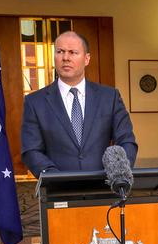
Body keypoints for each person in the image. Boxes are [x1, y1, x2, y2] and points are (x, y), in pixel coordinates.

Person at [21, 31, 137, 176]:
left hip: (104, 187)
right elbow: (31, 149)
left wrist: (119, 172)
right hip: (58, 190)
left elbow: (126, 140)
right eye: (60, 51)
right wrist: (54, 178)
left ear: (87, 58)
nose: (65, 58)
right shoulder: (35, 102)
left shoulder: (109, 97)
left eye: (73, 52)